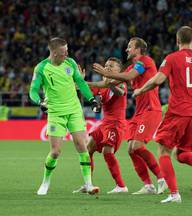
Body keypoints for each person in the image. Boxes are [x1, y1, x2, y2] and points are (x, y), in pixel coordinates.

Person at [133, 26, 192, 203]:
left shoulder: (172, 58)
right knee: (180, 154)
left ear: (177, 40)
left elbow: (158, 80)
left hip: (178, 112)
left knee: (164, 151)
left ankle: (174, 194)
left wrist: (141, 89)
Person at [93, 37, 167, 195]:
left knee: (137, 146)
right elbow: (108, 83)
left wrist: (106, 72)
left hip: (151, 109)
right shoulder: (130, 68)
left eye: (129, 47)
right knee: (131, 150)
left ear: (138, 49)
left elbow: (128, 77)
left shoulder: (144, 62)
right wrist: (81, 83)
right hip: (138, 113)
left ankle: (162, 179)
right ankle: (148, 185)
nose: (126, 49)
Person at [29, 37, 101, 195]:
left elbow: (80, 83)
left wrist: (92, 99)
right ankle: (45, 182)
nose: (66, 54)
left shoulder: (70, 63)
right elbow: (33, 90)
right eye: (63, 52)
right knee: (55, 152)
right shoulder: (41, 68)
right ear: (54, 53)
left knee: (82, 146)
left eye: (67, 51)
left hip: (74, 110)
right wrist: (39, 102)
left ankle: (89, 184)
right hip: (55, 113)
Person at [73, 57, 128, 194]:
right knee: (87, 149)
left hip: (116, 124)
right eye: (107, 65)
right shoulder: (101, 85)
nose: (108, 67)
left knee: (107, 152)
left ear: (119, 70)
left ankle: (121, 186)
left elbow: (120, 92)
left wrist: (108, 82)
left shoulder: (121, 82)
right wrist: (80, 81)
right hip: (104, 124)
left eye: (112, 66)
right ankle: (88, 184)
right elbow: (85, 92)